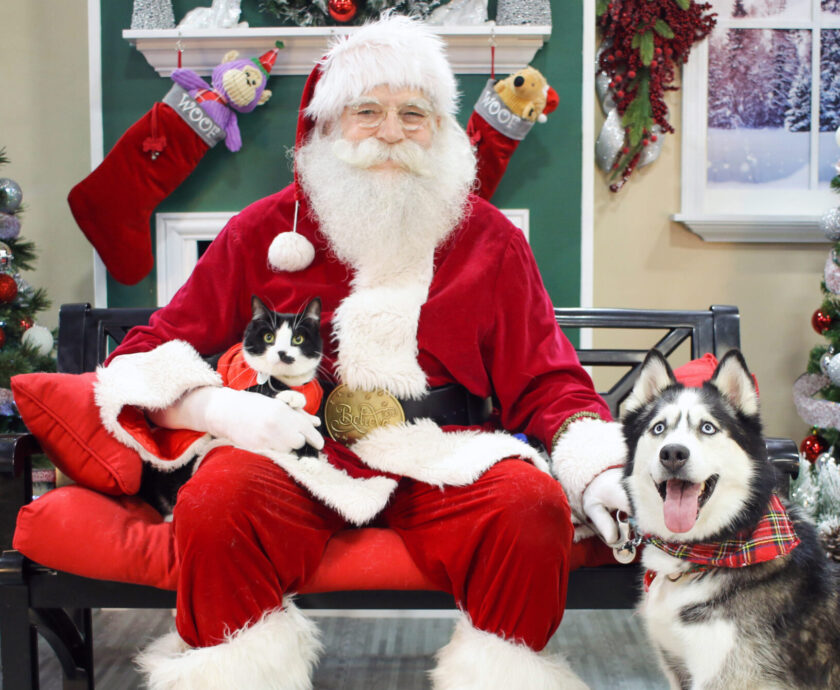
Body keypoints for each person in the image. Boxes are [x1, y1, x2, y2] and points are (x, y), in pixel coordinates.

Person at [94, 14, 628, 690]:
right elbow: (147, 352)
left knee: (529, 503)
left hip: (445, 449)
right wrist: (220, 411)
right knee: (217, 497)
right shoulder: (262, 231)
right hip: (296, 450)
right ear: (325, 125)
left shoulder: (490, 239)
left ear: (440, 130)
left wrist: (601, 470)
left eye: (414, 114)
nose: (391, 132)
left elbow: (549, 381)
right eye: (367, 111)